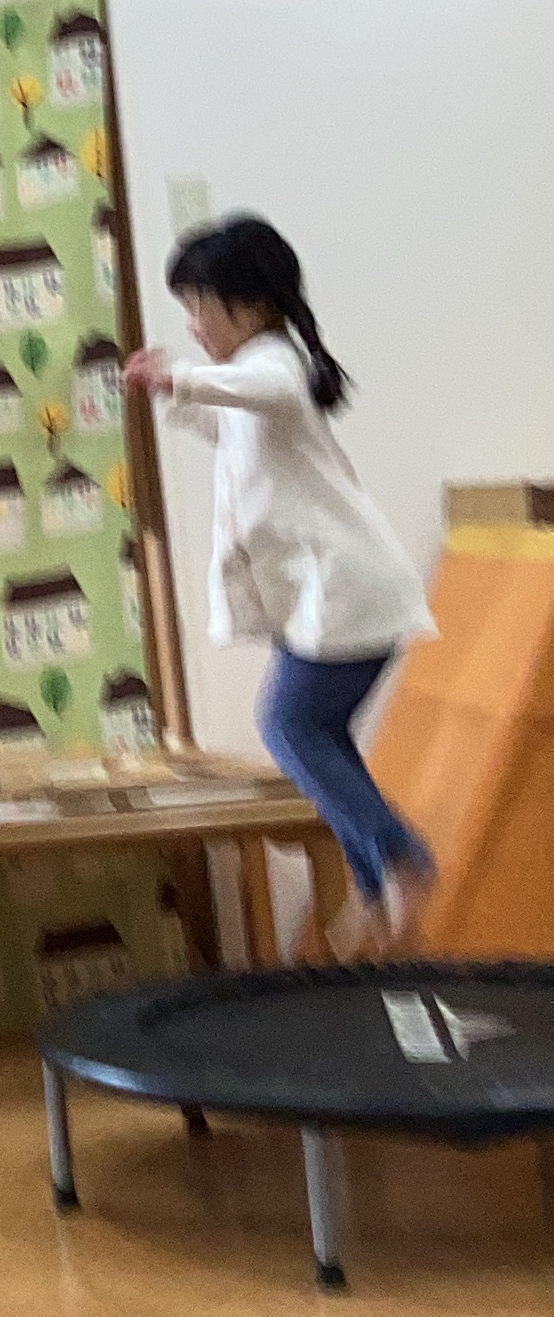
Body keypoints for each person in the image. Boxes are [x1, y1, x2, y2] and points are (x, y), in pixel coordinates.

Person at [127, 213, 435, 955]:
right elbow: (232, 425)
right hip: (333, 600)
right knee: (317, 738)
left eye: (201, 307)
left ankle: (402, 860)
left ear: (253, 306)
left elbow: (261, 391)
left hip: (351, 594)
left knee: (290, 727)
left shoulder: (277, 364)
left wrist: (179, 377)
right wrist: (179, 396)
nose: (194, 325)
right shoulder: (259, 381)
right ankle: (375, 895)